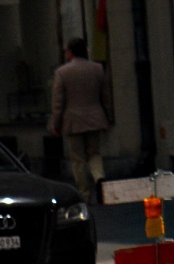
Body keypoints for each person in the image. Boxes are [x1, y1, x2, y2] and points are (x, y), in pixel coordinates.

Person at [49, 37, 112, 204]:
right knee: (94, 153)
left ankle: (85, 193)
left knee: (77, 159)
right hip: (95, 117)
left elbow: (58, 102)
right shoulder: (97, 69)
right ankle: (99, 178)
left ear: (70, 52)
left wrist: (56, 123)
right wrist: (107, 116)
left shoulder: (62, 72)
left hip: (73, 121)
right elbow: (105, 97)